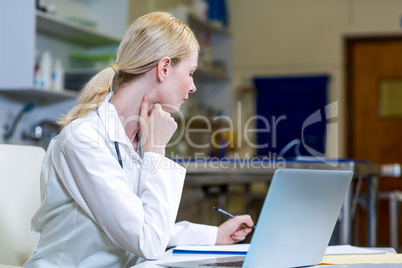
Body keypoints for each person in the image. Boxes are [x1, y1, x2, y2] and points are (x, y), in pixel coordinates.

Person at [24, 11, 254, 268]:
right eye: (191, 73)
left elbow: (140, 223)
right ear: (164, 68)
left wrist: (214, 235)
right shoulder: (83, 140)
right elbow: (147, 241)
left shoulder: (135, 136)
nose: (193, 86)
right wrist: (155, 151)